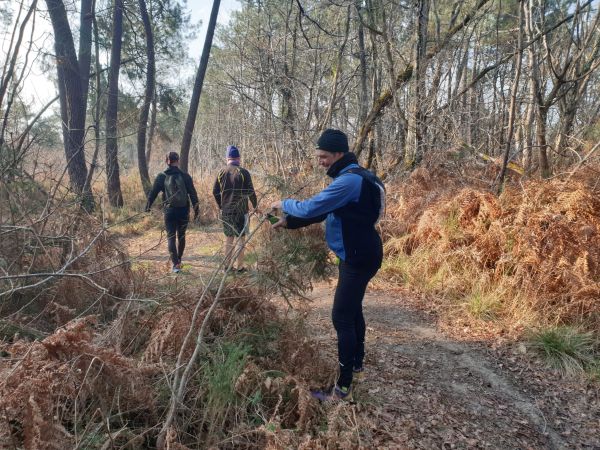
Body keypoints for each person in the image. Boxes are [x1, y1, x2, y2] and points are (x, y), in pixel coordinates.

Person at [271, 129, 385, 401]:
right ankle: (356, 363)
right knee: (352, 308)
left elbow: (312, 207)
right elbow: (327, 211)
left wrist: (283, 203)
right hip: (362, 252)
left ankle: (342, 387)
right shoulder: (356, 176)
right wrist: (290, 222)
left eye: (323, 156)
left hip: (358, 257)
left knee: (341, 316)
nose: (320, 161)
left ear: (338, 154)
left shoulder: (349, 182)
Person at [146, 151, 199, 273]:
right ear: (178, 161)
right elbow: (193, 194)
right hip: (183, 210)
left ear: (166, 161)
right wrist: (196, 210)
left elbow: (153, 193)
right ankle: (179, 260)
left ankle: (175, 265)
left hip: (169, 211)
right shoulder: (185, 176)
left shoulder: (162, 176)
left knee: (171, 237)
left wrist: (147, 207)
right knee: (181, 236)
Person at [212, 145, 257, 272]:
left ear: (227, 158)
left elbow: (215, 191)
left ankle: (227, 267)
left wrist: (221, 205)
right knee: (241, 238)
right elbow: (251, 191)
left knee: (229, 238)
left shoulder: (221, 172)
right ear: (238, 158)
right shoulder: (244, 172)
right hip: (241, 211)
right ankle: (240, 267)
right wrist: (255, 205)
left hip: (226, 211)